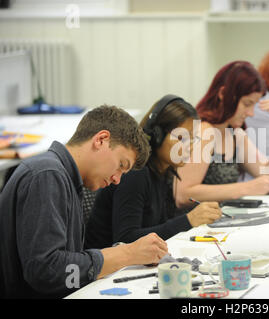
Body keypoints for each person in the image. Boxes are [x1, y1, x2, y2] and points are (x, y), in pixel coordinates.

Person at [0, 105, 168, 298]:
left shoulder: (65, 178)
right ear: (101, 140)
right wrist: (127, 254)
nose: (117, 180)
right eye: (121, 165)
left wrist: (118, 255)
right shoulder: (48, 175)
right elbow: (46, 273)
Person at [85, 95, 222, 249]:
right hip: (109, 269)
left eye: (192, 139)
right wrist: (188, 220)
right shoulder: (135, 172)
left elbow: (160, 225)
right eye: (181, 138)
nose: (189, 146)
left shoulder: (164, 169)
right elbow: (125, 238)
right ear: (157, 136)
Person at [174, 61, 269, 206]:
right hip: (193, 225)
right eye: (247, 104)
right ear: (223, 94)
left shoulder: (234, 133)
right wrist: (246, 188)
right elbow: (183, 194)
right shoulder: (204, 130)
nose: (251, 113)